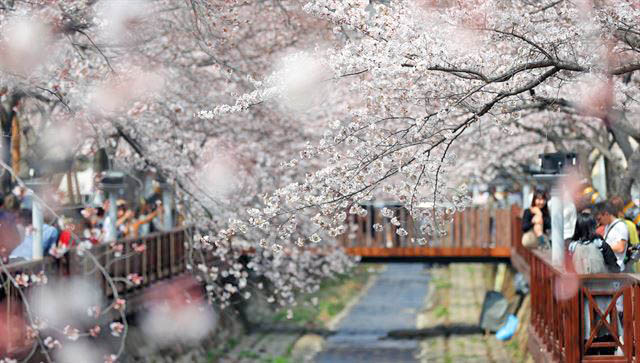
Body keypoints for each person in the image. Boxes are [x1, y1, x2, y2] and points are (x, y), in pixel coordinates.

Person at [569, 212, 621, 355]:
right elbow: (615, 269)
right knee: (605, 331)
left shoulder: (571, 247)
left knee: (585, 331)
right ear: (593, 227)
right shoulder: (601, 245)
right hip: (603, 298)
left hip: (581, 298)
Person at [594, 202, 630, 272]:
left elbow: (621, 247)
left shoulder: (620, 226)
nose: (599, 222)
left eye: (599, 218)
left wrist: (602, 248)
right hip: (609, 267)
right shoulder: (608, 226)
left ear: (606, 214)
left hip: (617, 268)